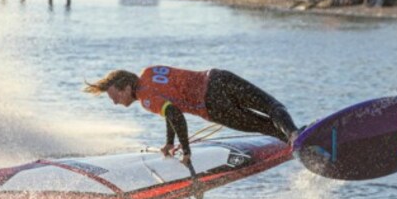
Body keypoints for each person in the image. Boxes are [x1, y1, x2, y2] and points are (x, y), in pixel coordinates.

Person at [84, 67, 299, 166]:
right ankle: (296, 135)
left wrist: (186, 152)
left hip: (212, 105)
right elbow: (170, 107)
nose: (116, 102)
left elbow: (176, 115)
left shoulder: (146, 98)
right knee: (272, 105)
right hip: (217, 78)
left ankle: (299, 145)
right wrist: (169, 142)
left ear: (127, 86)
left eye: (116, 96)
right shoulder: (149, 73)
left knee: (267, 127)